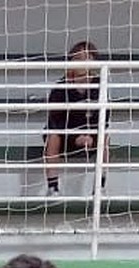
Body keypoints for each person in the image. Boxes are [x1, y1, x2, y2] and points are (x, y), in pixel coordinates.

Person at [42, 40, 105, 196]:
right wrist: (74, 137)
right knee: (52, 136)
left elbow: (105, 117)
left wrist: (90, 135)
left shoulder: (100, 85)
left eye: (86, 57)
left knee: (106, 137)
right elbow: (54, 119)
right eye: (77, 58)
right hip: (66, 135)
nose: (81, 62)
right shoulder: (61, 86)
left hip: (91, 134)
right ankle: (53, 187)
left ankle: (100, 187)